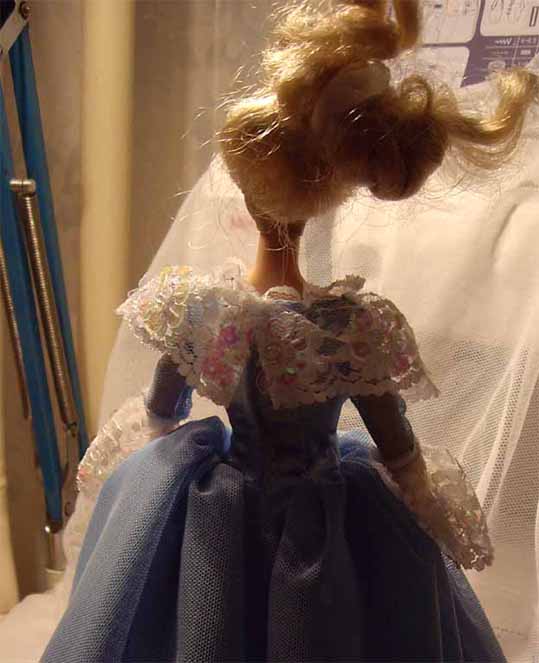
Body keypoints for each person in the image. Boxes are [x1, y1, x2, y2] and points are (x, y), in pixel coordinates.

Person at [44, 1, 539, 660]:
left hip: (222, 515)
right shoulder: (349, 328)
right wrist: (429, 507)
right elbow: (397, 447)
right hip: (324, 515)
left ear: (247, 198)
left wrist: (135, 482)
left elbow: (162, 413)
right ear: (328, 197)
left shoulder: (205, 311)